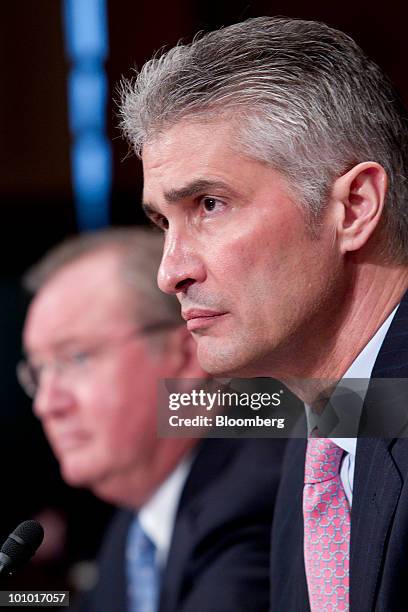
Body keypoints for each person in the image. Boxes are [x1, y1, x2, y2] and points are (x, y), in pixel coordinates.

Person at [119, 16, 408, 611]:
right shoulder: (317, 441)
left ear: (354, 207)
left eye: (210, 204)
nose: (170, 271)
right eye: (162, 223)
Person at [20, 227, 285, 612]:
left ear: (185, 356)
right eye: (39, 373)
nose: (47, 403)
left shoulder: (253, 500)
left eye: (75, 358)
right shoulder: (135, 527)